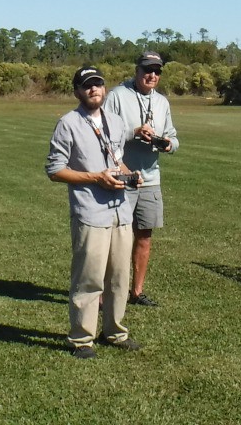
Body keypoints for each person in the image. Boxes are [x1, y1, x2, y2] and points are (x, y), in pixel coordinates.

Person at [45, 65, 142, 359]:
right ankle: (81, 339)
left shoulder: (115, 121)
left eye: (97, 84)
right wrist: (95, 178)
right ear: (77, 91)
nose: (93, 89)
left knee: (119, 278)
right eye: (87, 85)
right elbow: (55, 170)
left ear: (105, 88)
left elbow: (117, 160)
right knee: (89, 279)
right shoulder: (68, 124)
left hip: (120, 212)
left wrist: (129, 174)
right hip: (90, 213)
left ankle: (115, 332)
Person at [103, 51, 179, 307]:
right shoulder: (117, 96)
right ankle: (106, 294)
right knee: (116, 238)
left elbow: (173, 137)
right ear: (137, 70)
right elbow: (104, 134)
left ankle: (136, 292)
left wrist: (168, 144)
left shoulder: (162, 102)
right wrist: (134, 132)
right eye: (147, 70)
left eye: (157, 71)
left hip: (150, 179)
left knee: (144, 236)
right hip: (122, 178)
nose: (152, 75)